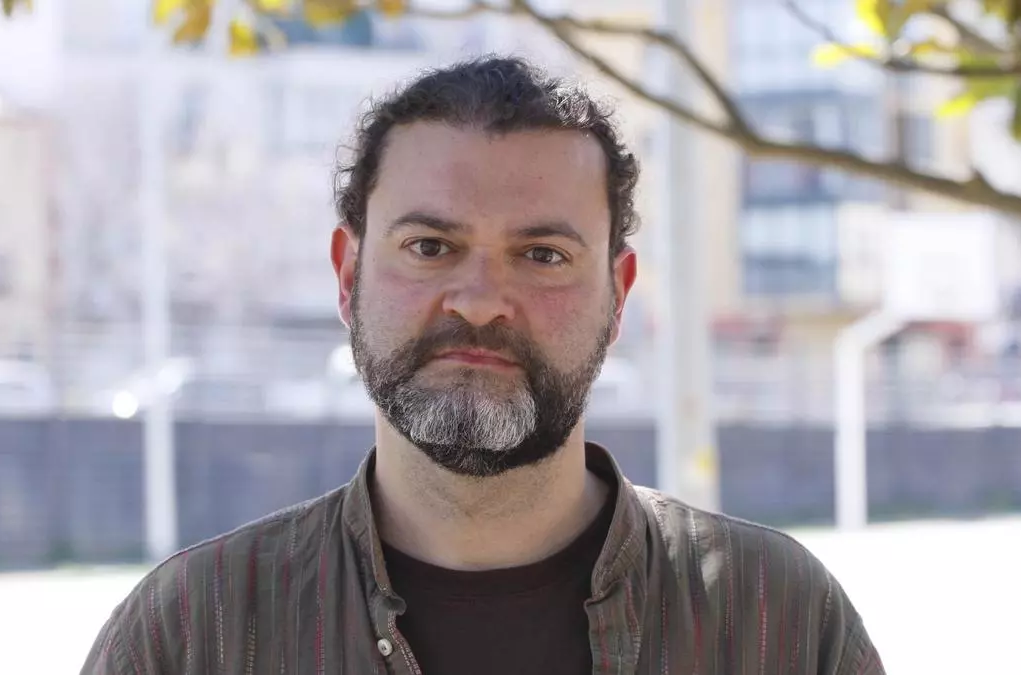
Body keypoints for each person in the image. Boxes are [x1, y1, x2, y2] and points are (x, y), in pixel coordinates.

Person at [81, 56, 884, 675]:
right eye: (431, 246)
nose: (480, 301)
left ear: (618, 293)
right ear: (348, 275)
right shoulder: (193, 634)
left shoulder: (777, 618)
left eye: (543, 254)